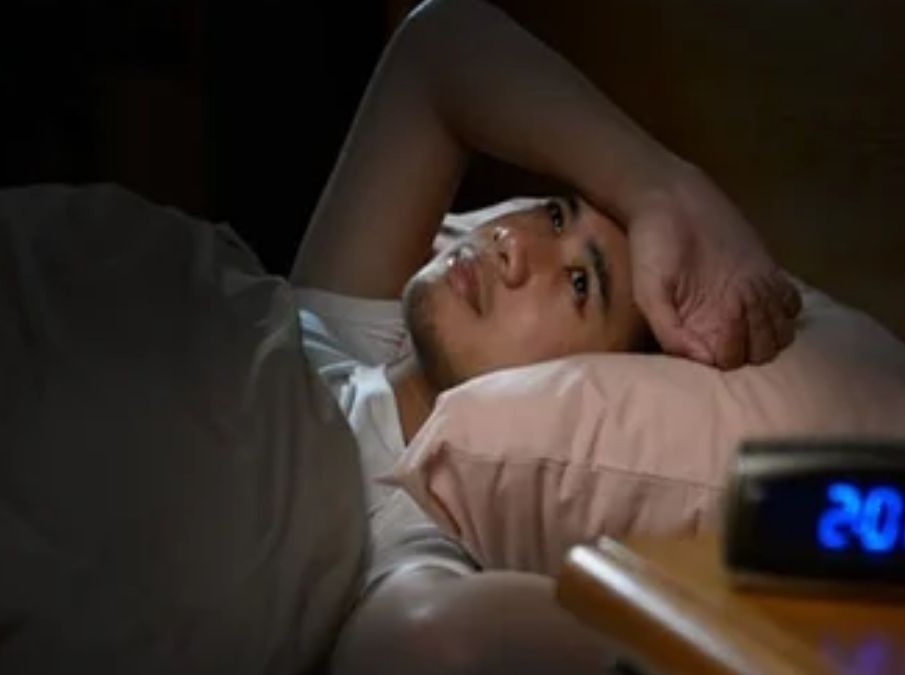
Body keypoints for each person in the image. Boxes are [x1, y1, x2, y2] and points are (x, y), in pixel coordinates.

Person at [288, 0, 802, 672]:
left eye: (581, 283)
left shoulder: (392, 531)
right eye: (556, 216)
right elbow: (438, 48)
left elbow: (432, 638)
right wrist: (663, 188)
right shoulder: (337, 329)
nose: (512, 242)